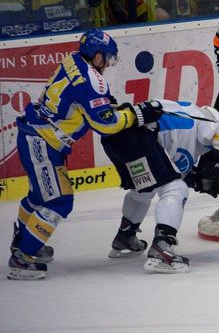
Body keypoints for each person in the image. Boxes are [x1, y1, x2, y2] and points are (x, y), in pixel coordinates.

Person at [8, 29, 164, 280]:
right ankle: (22, 257)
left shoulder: (73, 59)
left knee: (39, 196)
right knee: (59, 201)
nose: (108, 65)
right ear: (97, 56)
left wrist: (105, 102)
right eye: (108, 59)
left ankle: (24, 241)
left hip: (34, 134)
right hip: (42, 143)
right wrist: (138, 114)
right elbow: (106, 124)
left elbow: (81, 100)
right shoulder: (92, 80)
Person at [102, 100, 219, 273]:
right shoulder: (195, 132)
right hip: (139, 135)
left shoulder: (191, 116)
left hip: (116, 137)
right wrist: (201, 180)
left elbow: (168, 169)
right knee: (176, 189)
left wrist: (198, 179)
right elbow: (177, 175)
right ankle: (162, 247)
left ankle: (125, 236)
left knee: (145, 188)